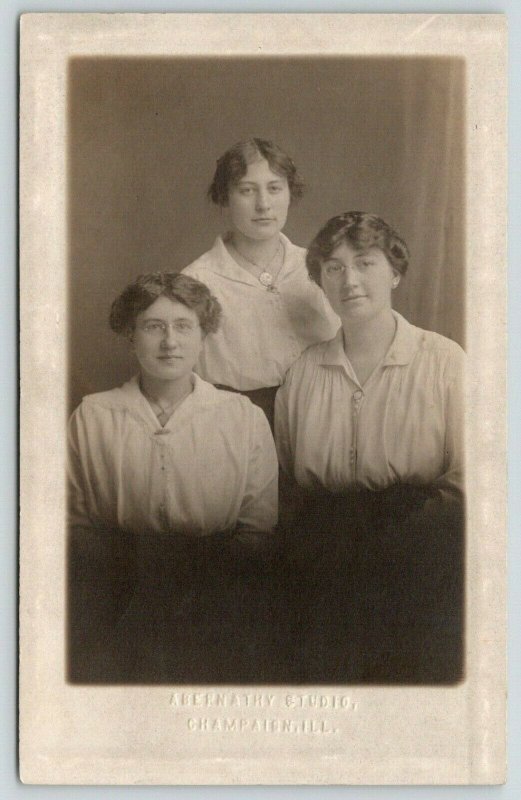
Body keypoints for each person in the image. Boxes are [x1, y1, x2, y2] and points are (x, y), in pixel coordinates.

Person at [274, 212, 466, 683]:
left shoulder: (444, 361)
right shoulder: (303, 372)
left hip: (419, 550)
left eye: (365, 264)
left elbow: (472, 481)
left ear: (395, 272)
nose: (349, 280)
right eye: (334, 268)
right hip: (323, 556)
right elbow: (282, 478)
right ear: (320, 281)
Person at [68, 272, 280, 682]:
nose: (170, 342)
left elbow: (259, 526)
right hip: (117, 592)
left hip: (217, 594)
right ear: (131, 336)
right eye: (153, 327)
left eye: (184, 327)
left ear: (204, 336)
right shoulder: (93, 416)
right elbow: (72, 521)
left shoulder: (242, 417)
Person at [182, 138, 339, 428]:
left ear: (291, 193)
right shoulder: (196, 283)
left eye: (275, 188)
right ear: (224, 197)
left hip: (327, 424)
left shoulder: (323, 268)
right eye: (246, 190)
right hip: (237, 428)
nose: (263, 204)